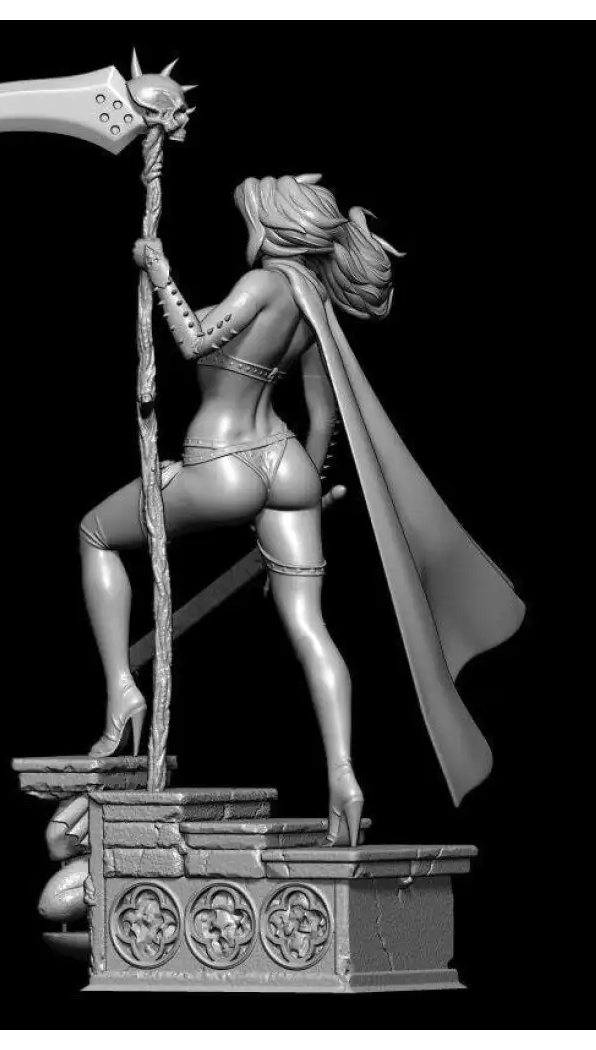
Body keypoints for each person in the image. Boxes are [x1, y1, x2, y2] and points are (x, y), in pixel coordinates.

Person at [77, 174, 403, 847]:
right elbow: (323, 417)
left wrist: (159, 269)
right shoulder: (313, 305)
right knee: (310, 627)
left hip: (221, 462)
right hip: (286, 464)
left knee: (95, 533)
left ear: (275, 229)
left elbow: (194, 340)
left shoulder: (264, 284)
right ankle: (343, 773)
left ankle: (121, 691)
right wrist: (309, 498)